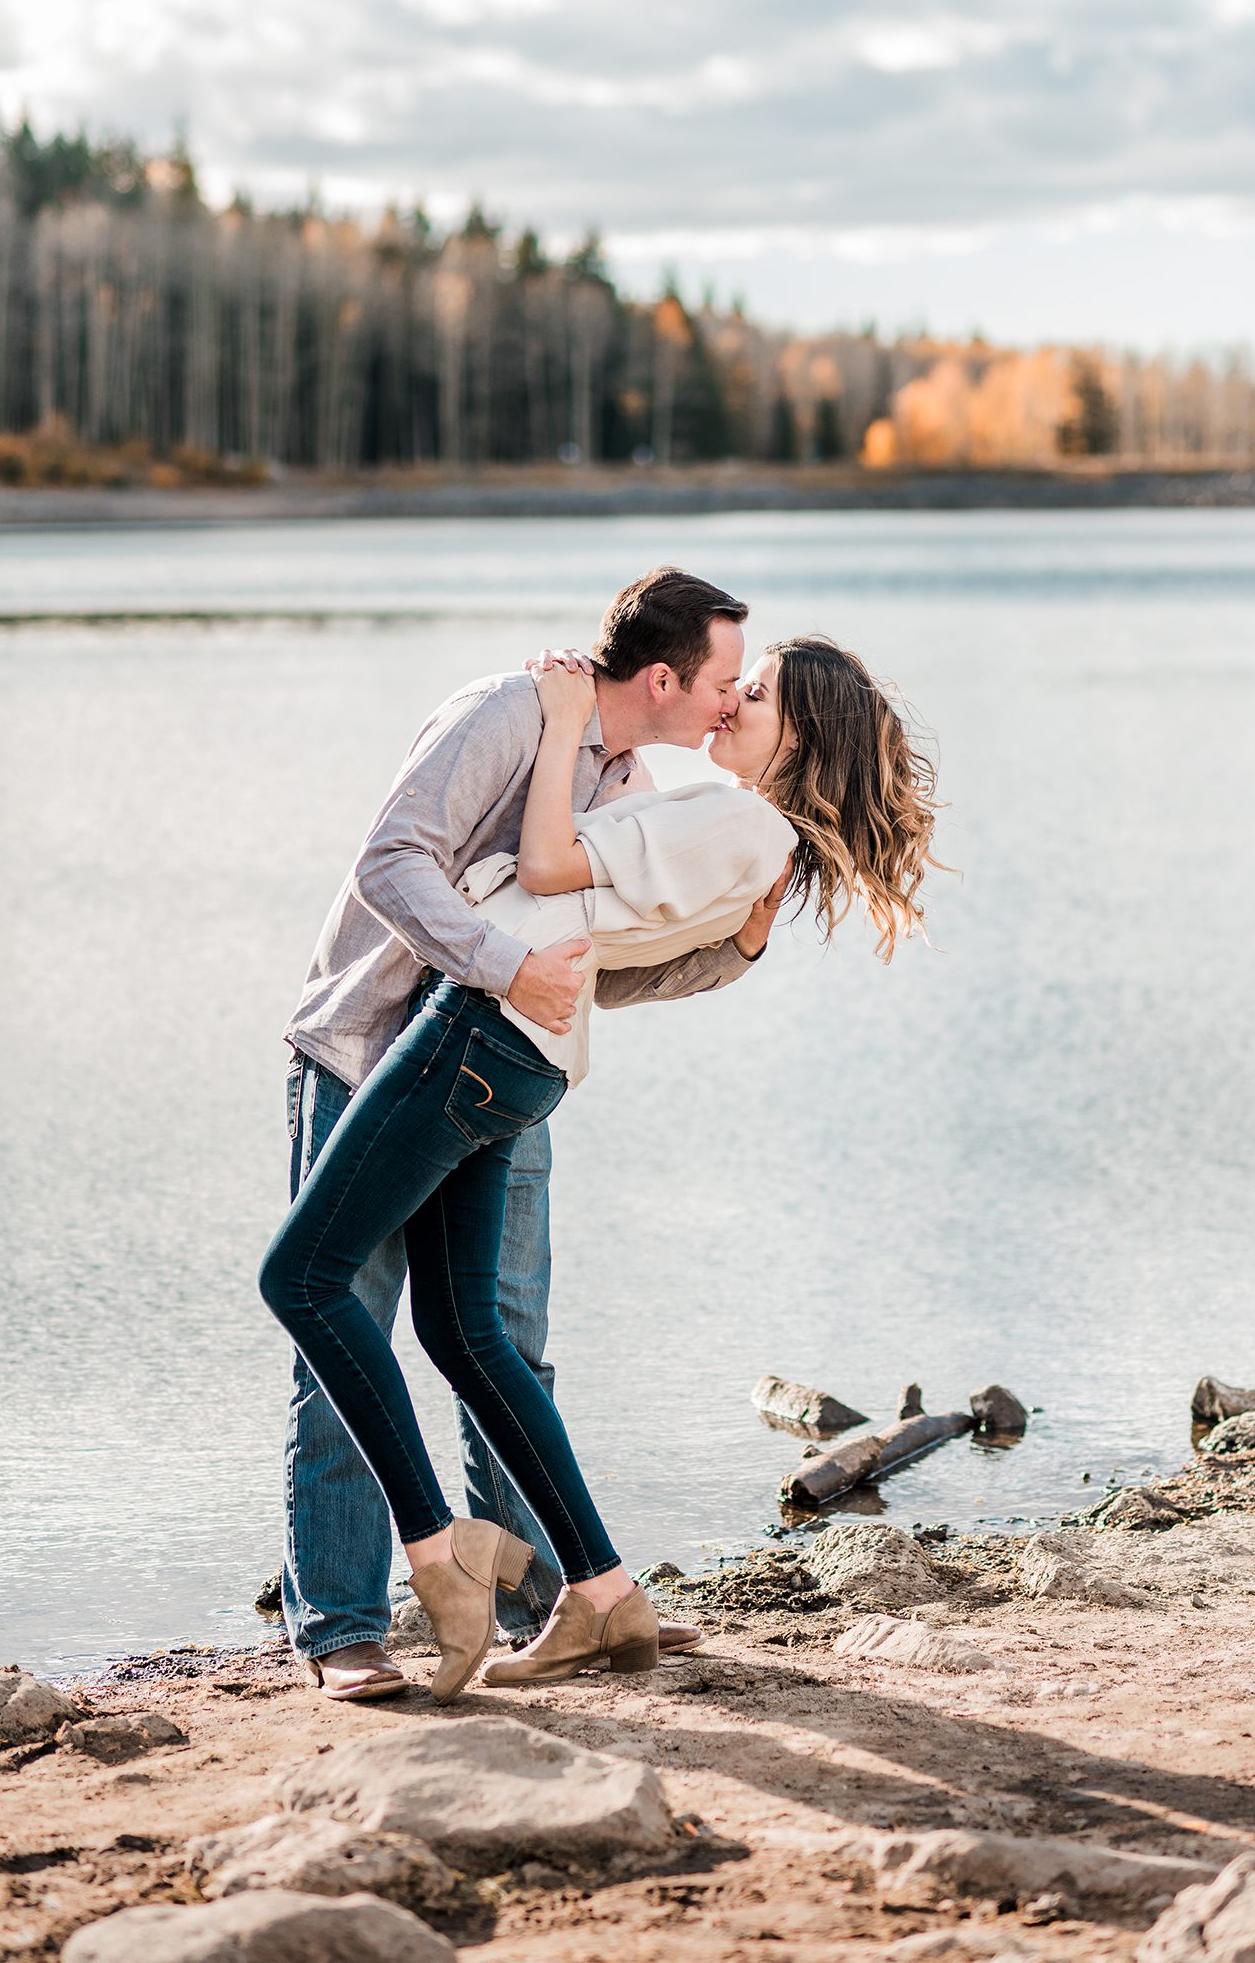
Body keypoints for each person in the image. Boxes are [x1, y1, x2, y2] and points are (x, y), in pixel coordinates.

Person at [259, 631, 941, 1697]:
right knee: (460, 1330)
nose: (728, 705)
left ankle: (455, 1558)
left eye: (750, 693)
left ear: (800, 731)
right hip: (463, 1046)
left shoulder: (720, 815)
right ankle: (583, 1594)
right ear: (663, 672)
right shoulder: (653, 787)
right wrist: (723, 945)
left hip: (470, 1039)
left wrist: (571, 726)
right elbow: (565, 925)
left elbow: (546, 882)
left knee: (315, 1290)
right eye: (730, 681)